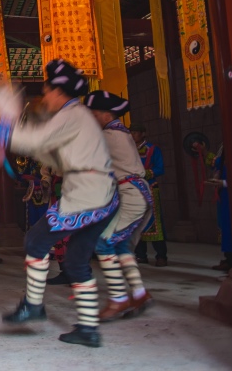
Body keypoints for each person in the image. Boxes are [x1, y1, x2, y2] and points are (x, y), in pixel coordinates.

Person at [0, 59, 117, 348]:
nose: (45, 97)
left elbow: (36, 139)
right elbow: (47, 150)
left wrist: (3, 128)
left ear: (59, 92)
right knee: (75, 260)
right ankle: (89, 329)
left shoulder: (72, 113)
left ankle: (33, 305)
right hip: (100, 195)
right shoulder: (77, 116)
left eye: (47, 91)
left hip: (87, 195)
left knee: (35, 240)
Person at [85, 91, 154, 321]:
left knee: (103, 243)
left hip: (131, 193)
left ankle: (118, 299)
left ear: (104, 114)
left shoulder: (109, 136)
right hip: (134, 192)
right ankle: (139, 293)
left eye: (93, 113)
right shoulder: (119, 132)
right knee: (121, 244)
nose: (91, 118)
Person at [130, 125, 168, 266]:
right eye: (131, 132)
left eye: (135, 132)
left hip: (150, 188)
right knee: (136, 223)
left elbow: (160, 168)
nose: (132, 135)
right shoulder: (128, 151)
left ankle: (161, 255)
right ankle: (141, 255)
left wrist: (144, 173)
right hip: (133, 190)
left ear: (143, 133)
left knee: (155, 222)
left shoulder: (152, 149)